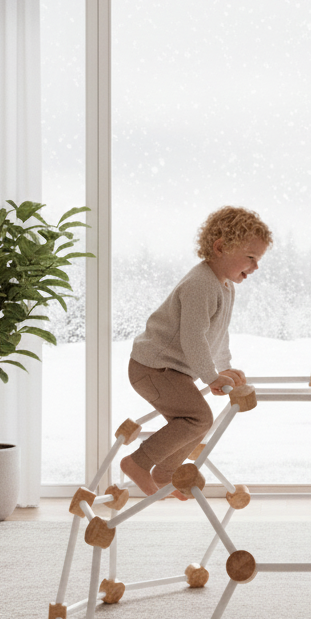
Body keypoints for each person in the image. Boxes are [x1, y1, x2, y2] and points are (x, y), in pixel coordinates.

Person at [119, 206, 272, 499]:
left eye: (258, 260)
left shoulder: (224, 287)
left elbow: (217, 333)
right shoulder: (201, 284)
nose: (255, 267)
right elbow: (193, 339)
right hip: (152, 369)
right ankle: (137, 463)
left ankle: (164, 473)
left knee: (197, 424)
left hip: (170, 370)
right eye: (250, 258)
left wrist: (222, 368)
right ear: (220, 247)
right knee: (198, 418)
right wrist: (210, 376)